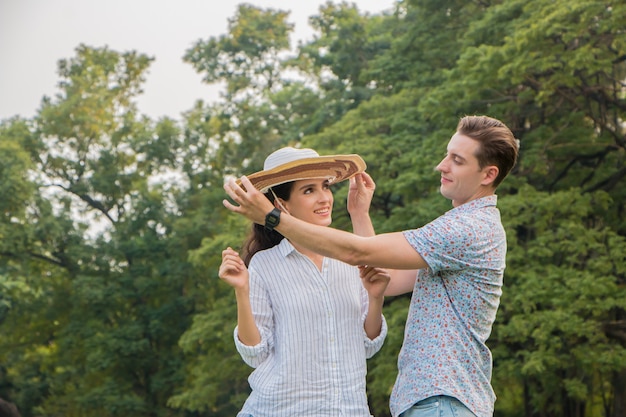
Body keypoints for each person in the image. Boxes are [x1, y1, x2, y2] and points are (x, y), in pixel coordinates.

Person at [223, 115, 520, 417]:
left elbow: (357, 253)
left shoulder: (465, 230)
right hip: (431, 400)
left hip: (444, 400)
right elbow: (384, 277)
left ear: (487, 174)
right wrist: (359, 214)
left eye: (456, 160)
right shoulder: (455, 227)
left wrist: (273, 219)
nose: (441, 166)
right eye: (447, 155)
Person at [219, 147, 390, 417]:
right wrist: (242, 290)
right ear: (281, 204)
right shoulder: (265, 265)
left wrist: (376, 298)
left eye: (325, 186)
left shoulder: (350, 256)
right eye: (309, 190)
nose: (324, 198)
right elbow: (255, 355)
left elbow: (369, 345)